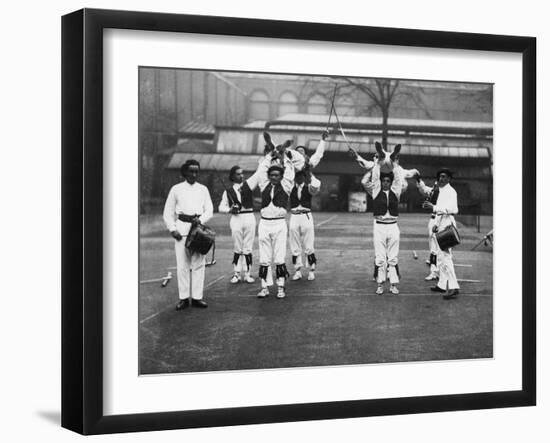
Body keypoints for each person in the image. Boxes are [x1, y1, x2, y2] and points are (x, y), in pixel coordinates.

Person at [163, 159, 214, 310]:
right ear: (184, 172)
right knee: (182, 266)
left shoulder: (203, 189)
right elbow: (168, 212)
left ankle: (197, 297)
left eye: (196, 171)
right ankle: (184, 298)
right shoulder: (176, 189)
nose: (193, 174)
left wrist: (201, 219)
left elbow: (209, 209)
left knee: (199, 264)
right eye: (191, 171)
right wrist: (172, 229)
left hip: (198, 231)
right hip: (181, 230)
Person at [251, 148, 296, 299]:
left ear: (281, 176)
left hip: (279, 224)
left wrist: (283, 155)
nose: (274, 177)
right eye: (271, 175)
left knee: (279, 257)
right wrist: (271, 154)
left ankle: (281, 287)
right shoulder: (264, 185)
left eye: (277, 175)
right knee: (264, 257)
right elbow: (261, 168)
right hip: (264, 224)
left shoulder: (287, 186)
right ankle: (264, 287)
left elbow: (290, 170)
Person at [362, 166, 406, 295]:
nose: (385, 183)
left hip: (393, 225)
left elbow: (398, 179)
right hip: (380, 226)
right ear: (380, 182)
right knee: (380, 257)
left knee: (392, 257)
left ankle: (393, 284)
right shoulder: (375, 191)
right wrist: (376, 164)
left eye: (388, 181)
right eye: (384, 181)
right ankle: (380, 284)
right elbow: (370, 180)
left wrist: (395, 163)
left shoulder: (396, 191)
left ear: (391, 182)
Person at [420, 168, 460, 299]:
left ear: (449, 178)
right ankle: (442, 285)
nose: (441, 179)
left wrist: (434, 207)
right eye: (440, 177)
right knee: (440, 258)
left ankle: (454, 287)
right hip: (441, 225)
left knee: (446, 257)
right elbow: (440, 212)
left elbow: (454, 209)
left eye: (444, 177)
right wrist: (436, 224)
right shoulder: (441, 191)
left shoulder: (451, 191)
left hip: (448, 226)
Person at [218, 165, 256, 284]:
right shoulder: (228, 191)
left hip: (249, 216)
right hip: (236, 218)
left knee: (247, 247)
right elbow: (221, 207)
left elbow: (259, 174)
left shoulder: (249, 185)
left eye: (242, 173)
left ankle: (248, 273)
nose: (242, 176)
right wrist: (230, 210)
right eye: (238, 174)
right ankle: (237, 273)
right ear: (233, 176)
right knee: (237, 247)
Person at [289, 168, 321, 281]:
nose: (299, 178)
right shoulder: (290, 187)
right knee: (294, 244)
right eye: (297, 176)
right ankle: (297, 270)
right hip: (294, 216)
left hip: (306, 216)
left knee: (309, 244)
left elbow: (317, 185)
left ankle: (311, 270)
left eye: (301, 176)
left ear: (304, 177)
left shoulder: (309, 188)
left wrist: (310, 173)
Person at [416, 174, 440, 281]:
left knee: (436, 247)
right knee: (433, 246)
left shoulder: (443, 193)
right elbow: (425, 189)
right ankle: (434, 266)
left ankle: (435, 271)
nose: (435, 187)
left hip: (440, 221)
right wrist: (419, 180)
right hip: (434, 219)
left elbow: (428, 191)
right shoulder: (434, 190)